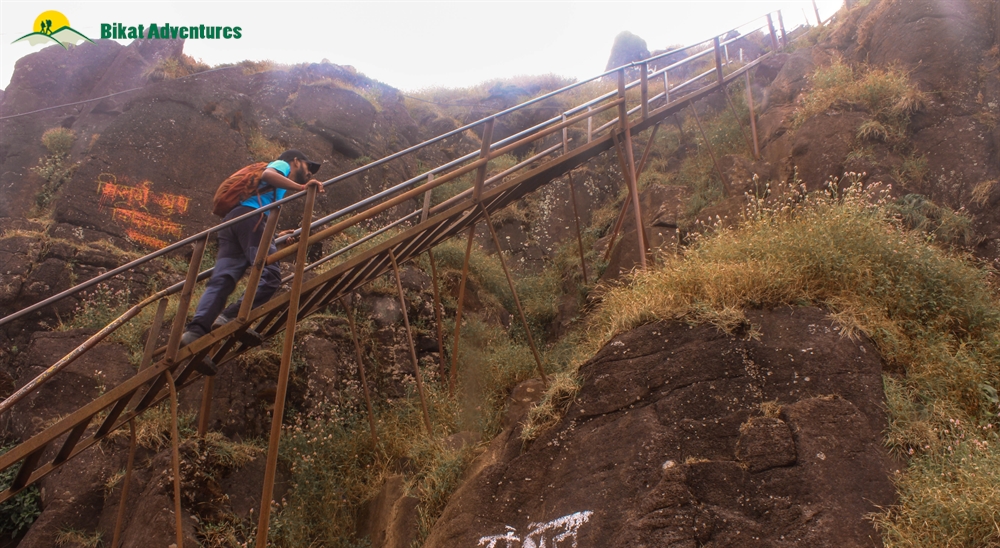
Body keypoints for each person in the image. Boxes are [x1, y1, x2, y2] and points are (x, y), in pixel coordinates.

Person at [180, 150, 325, 371]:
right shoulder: (282, 165)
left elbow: (255, 214)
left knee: (224, 279)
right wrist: (303, 188)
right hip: (252, 219)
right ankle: (229, 316)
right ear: (296, 161)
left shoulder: (276, 188)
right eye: (308, 166)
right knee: (271, 276)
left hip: (235, 221)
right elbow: (268, 175)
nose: (309, 172)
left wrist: (275, 237)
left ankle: (195, 332)